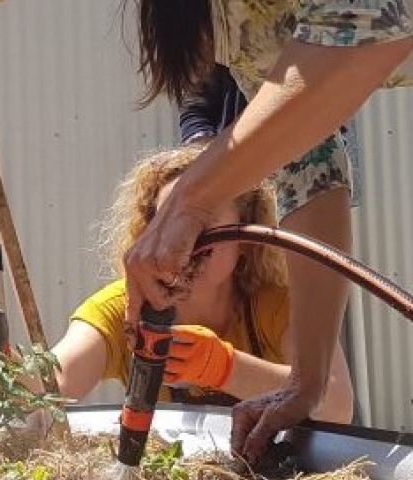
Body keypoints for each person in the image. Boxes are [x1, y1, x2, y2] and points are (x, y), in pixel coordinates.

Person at [121, 0, 413, 464]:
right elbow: (308, 169)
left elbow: (367, 30)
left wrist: (191, 199)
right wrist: (306, 381)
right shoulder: (240, 31)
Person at [0, 145, 354, 425]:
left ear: (247, 235)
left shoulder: (277, 305)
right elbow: (57, 381)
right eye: (169, 223)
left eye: (204, 221)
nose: (184, 241)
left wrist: (225, 367)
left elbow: (336, 405)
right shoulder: (122, 308)